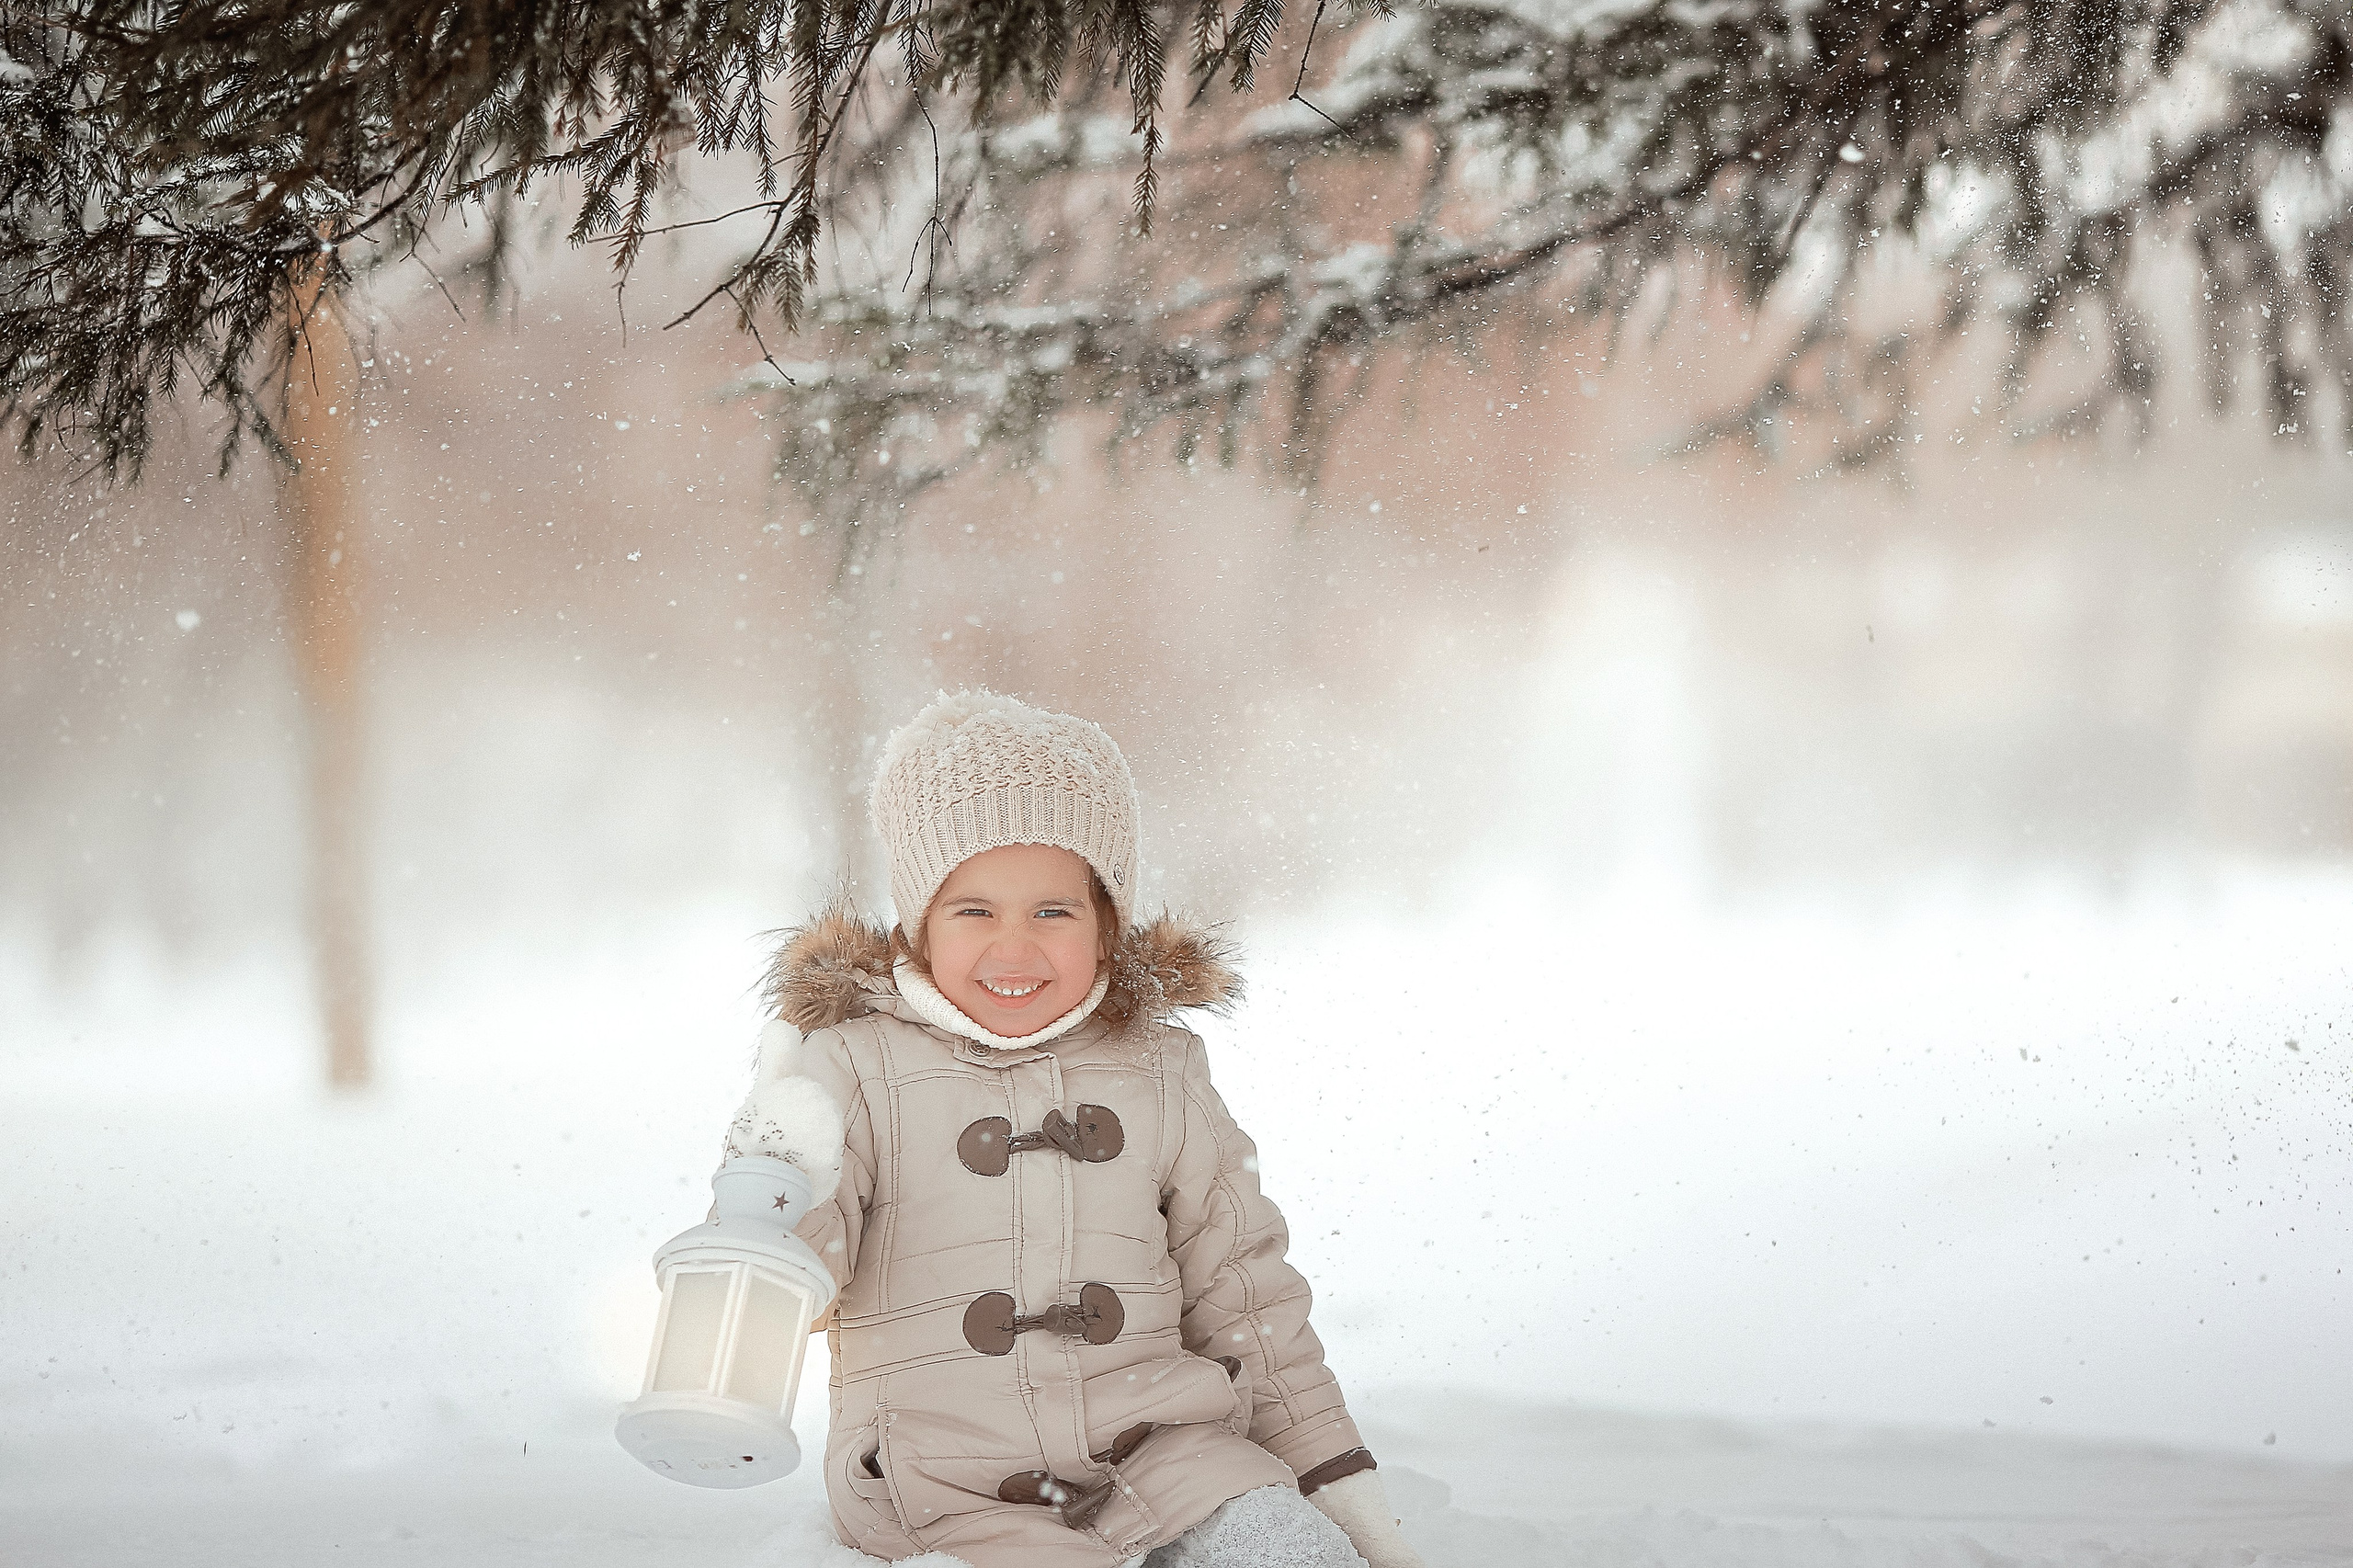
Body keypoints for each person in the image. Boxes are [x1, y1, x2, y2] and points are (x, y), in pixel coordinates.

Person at [727, 690, 1424, 1568]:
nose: (1014, 949)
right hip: (939, 1479)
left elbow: (1245, 1293)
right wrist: (775, 1184)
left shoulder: (1159, 1069)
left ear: (1107, 927)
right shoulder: (853, 1069)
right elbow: (796, 1274)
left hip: (1164, 1453)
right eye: (974, 911)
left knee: (1282, 1549)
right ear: (918, 926)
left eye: (1053, 911)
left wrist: (1332, 1478)